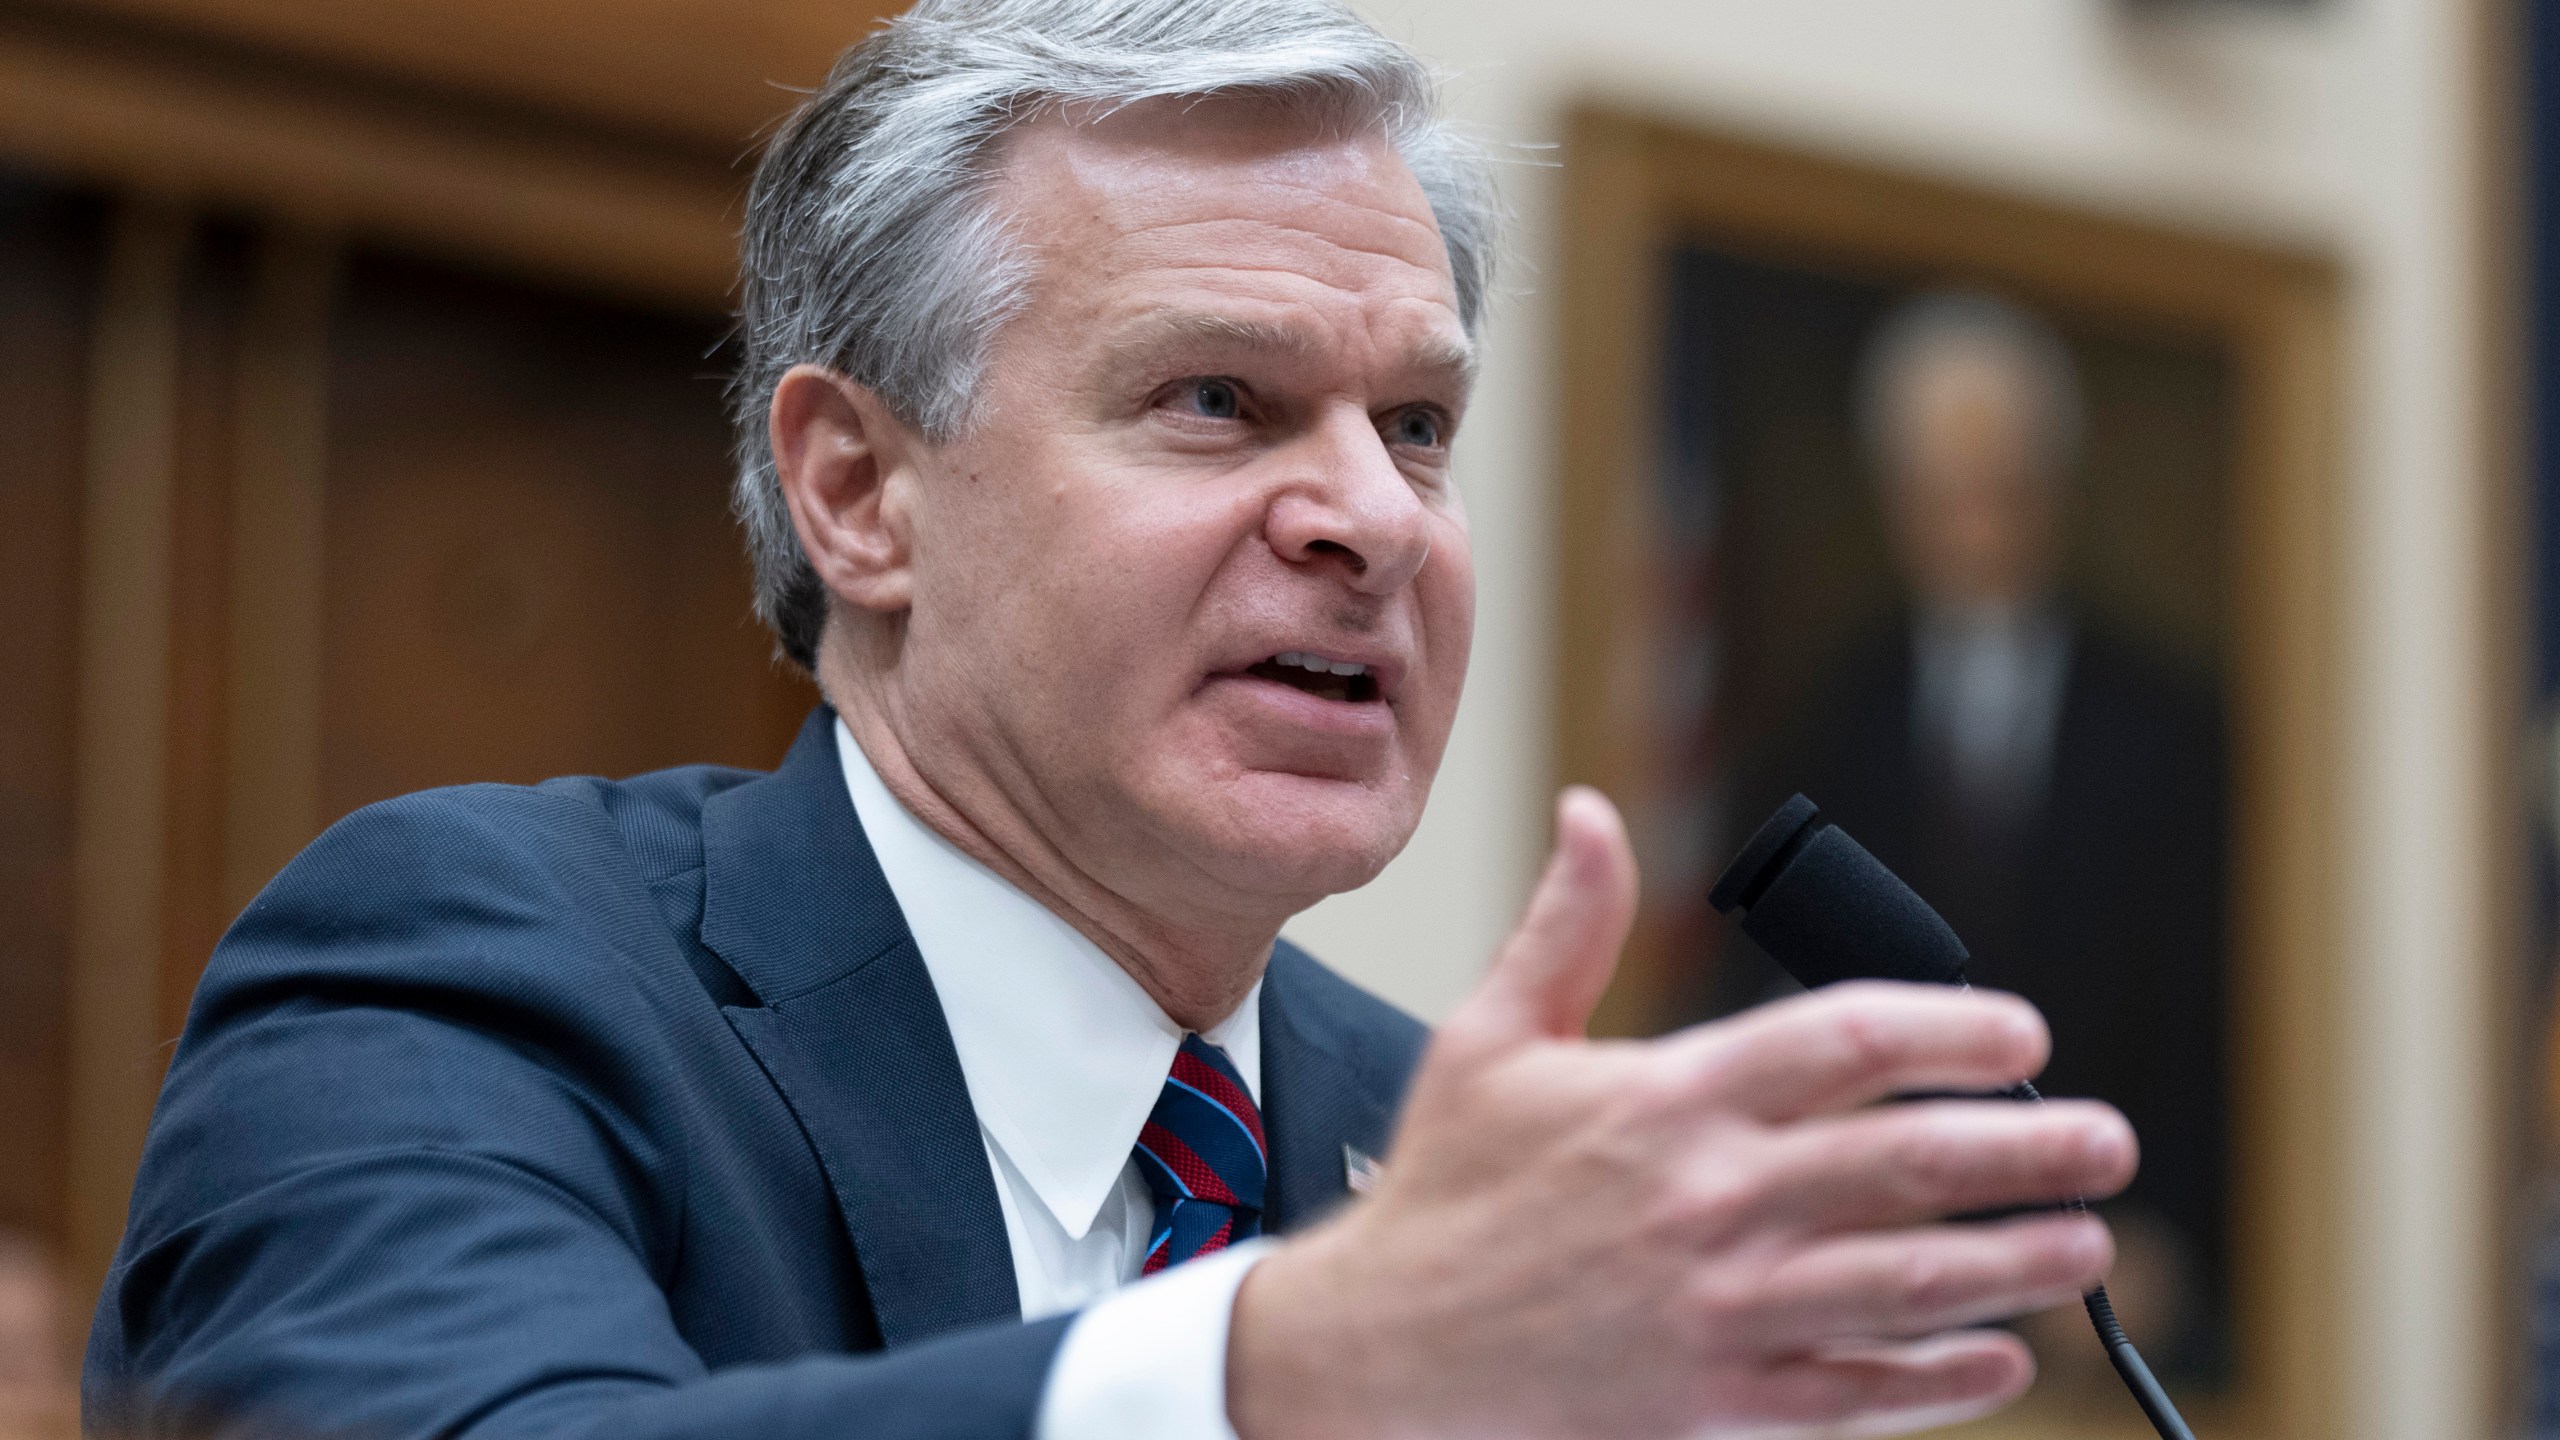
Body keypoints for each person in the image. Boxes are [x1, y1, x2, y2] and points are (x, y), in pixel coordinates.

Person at [85, 5, 2138, 1438]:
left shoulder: (1445, 1155)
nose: (1364, 517)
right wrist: (1279, 1377)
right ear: (859, 494)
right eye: (1212, 402)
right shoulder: (468, 976)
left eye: (1413, 425)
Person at [1728, 289, 2229, 1379]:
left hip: (2100, 1249)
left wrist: (2153, 1234)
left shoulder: (2166, 730)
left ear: (2055, 486)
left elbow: (2206, 1018)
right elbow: (1763, 978)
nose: (1974, 528)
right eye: (1939, 494)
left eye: (2001, 489)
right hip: (1883, 1247)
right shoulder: (1833, 716)